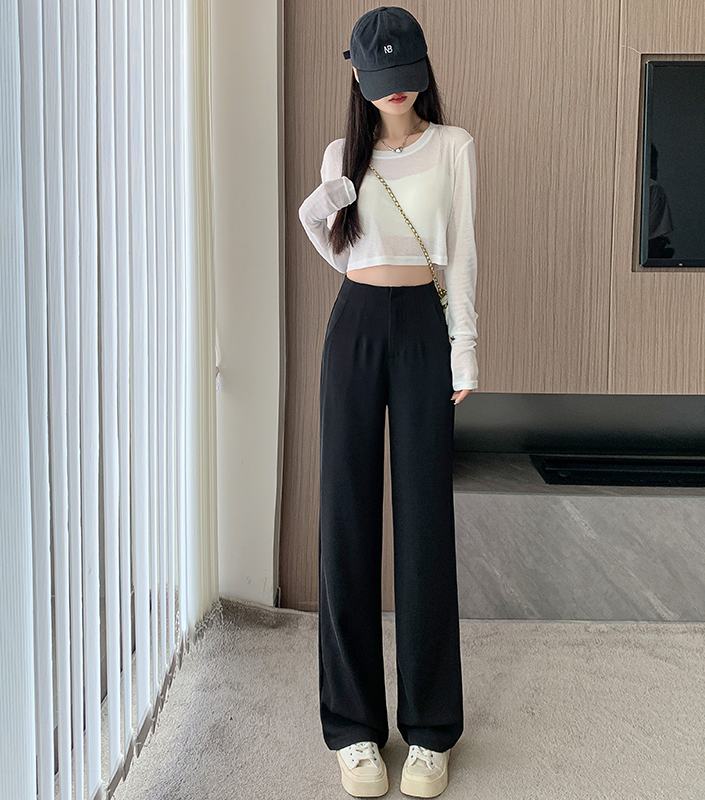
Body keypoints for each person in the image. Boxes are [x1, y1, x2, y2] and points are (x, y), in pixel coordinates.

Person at [298, 6, 479, 797]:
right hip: (356, 323)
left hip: (423, 330)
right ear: (358, 75)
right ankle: (354, 728)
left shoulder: (455, 146)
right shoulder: (344, 153)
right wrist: (324, 201)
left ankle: (431, 731)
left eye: (405, 78)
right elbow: (334, 242)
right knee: (346, 516)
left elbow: (462, 254)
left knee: (424, 521)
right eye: (380, 80)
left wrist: (465, 347)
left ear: (422, 71)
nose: (395, 93)